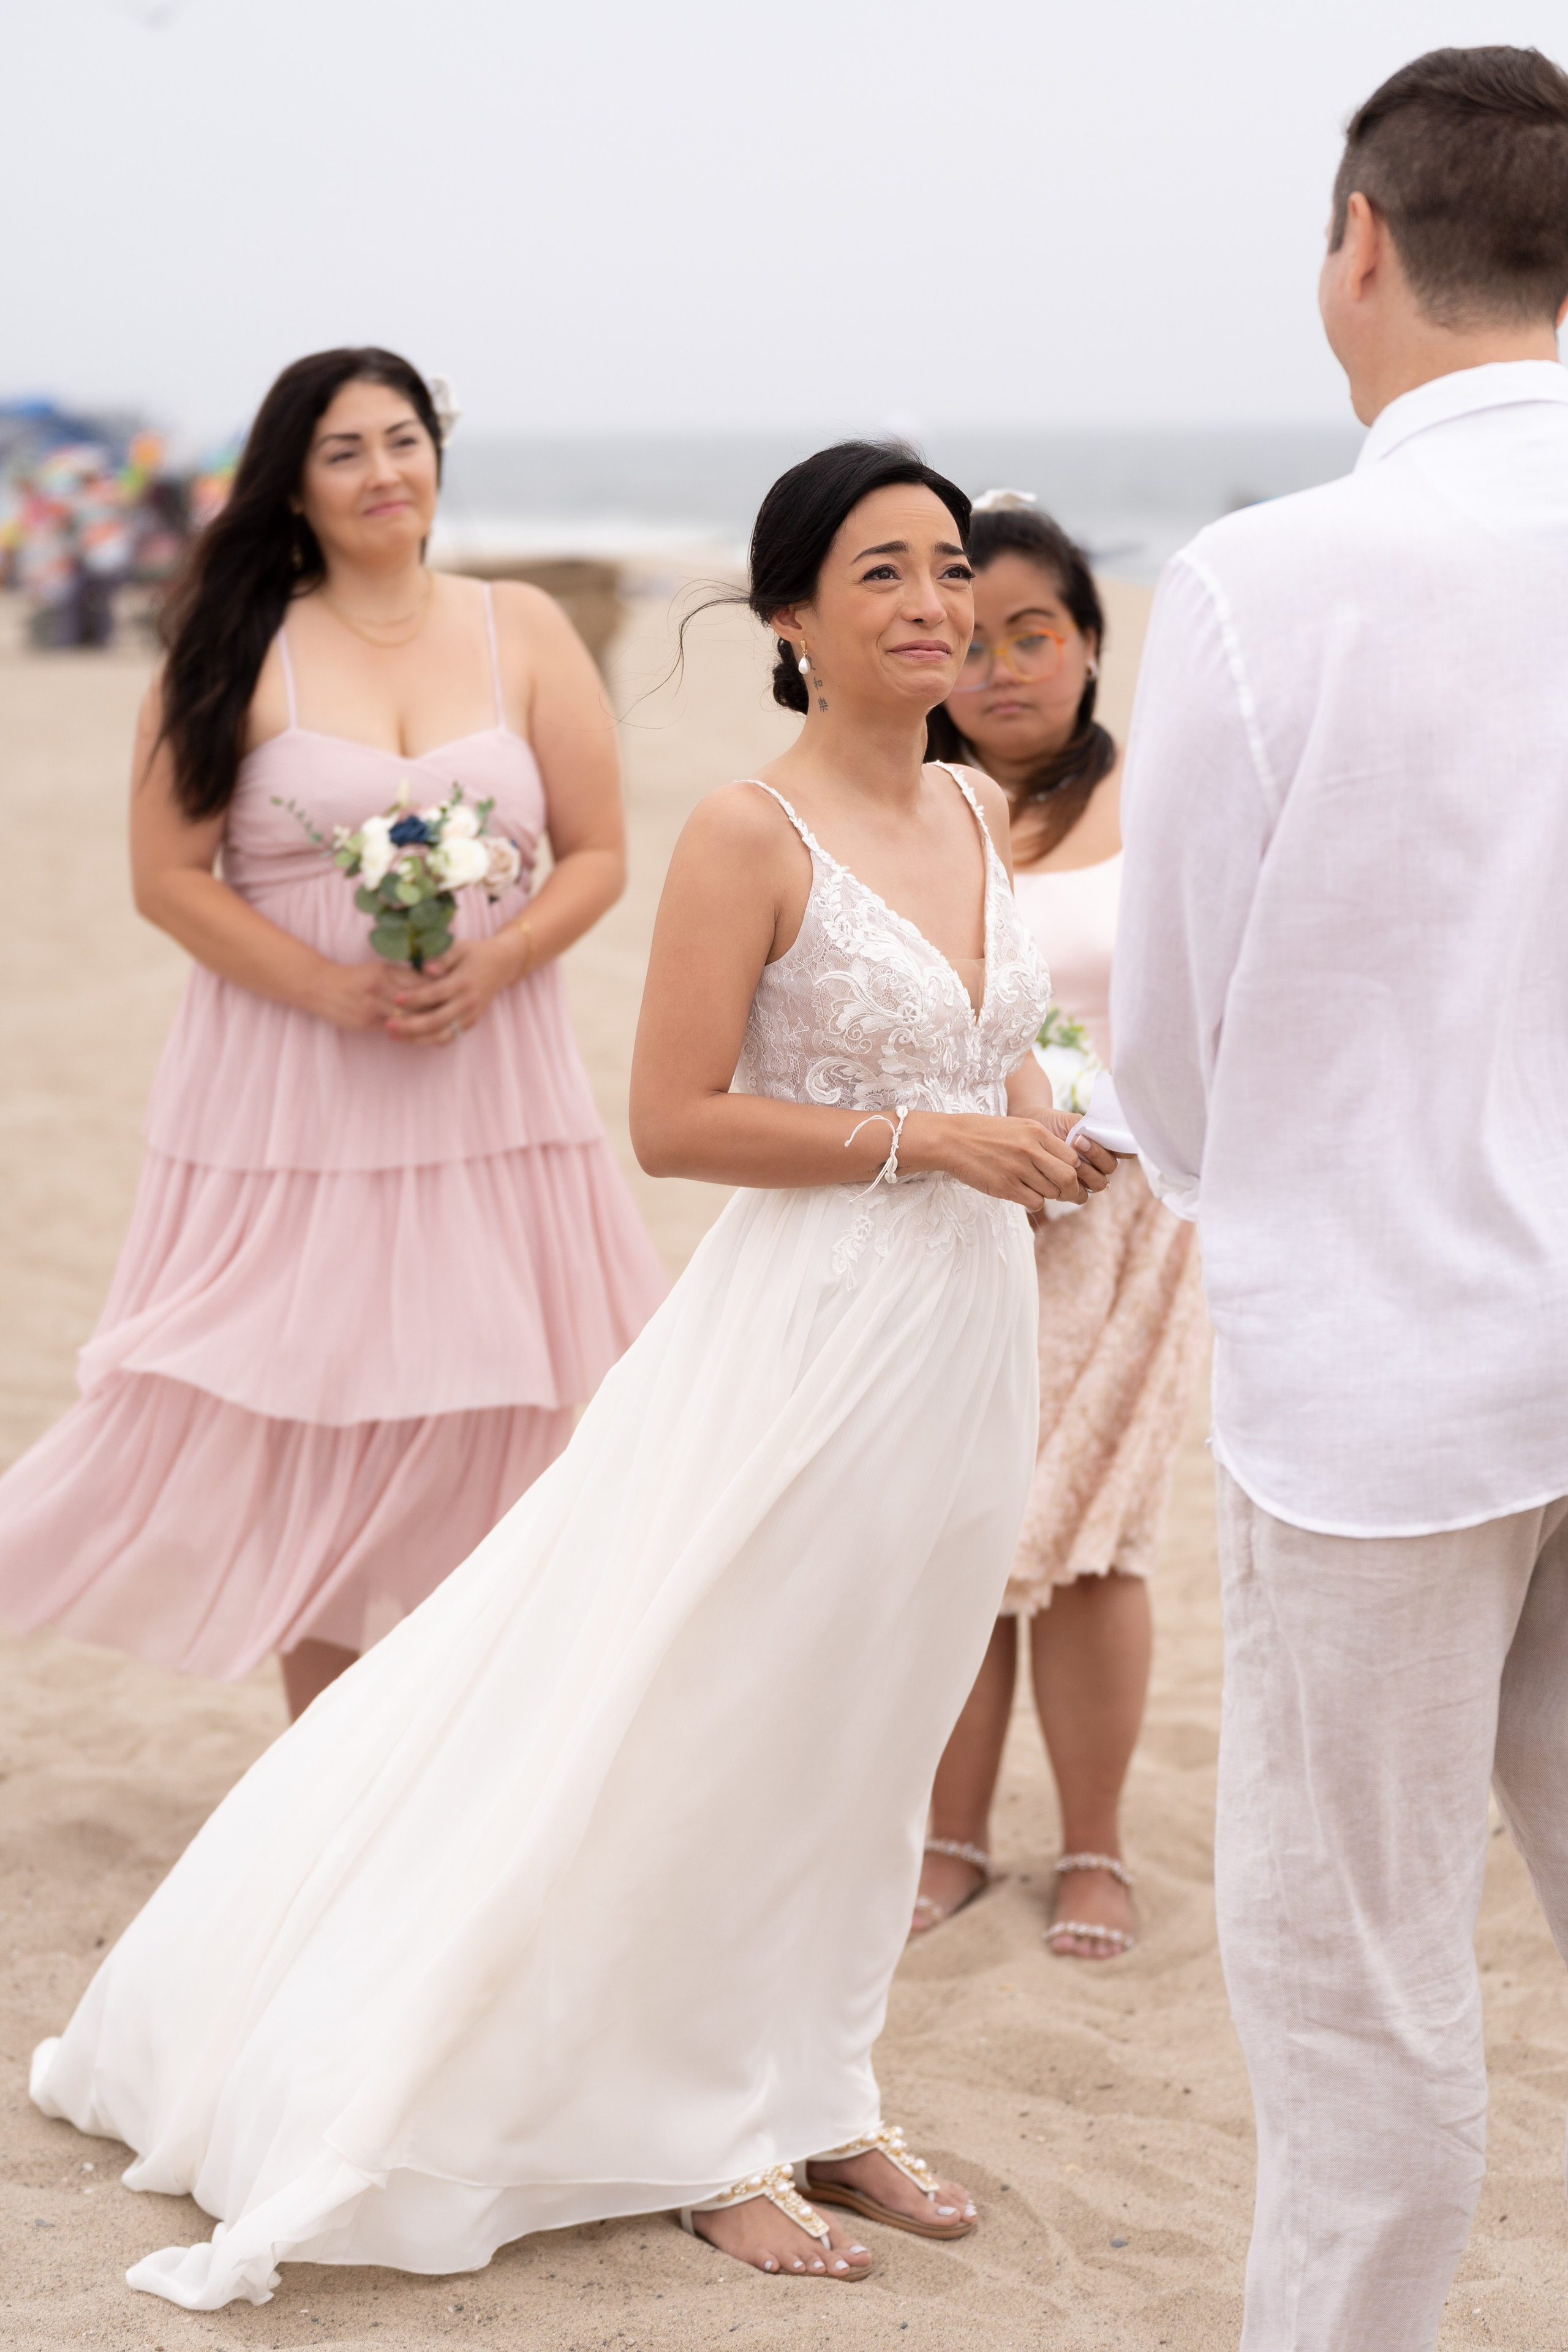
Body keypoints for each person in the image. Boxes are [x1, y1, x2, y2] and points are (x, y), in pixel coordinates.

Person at [29, 440, 1115, 2308]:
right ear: (789, 617)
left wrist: (1038, 1131)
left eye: (951, 567)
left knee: (879, 1714)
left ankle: (830, 2083)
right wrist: (936, 1144)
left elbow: (995, 1044)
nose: (937, 603)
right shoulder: (746, 835)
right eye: (884, 573)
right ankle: (709, 2133)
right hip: (808, 1335)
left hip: (965, 1334)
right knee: (736, 1713)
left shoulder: (973, 811)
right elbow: (676, 1119)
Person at [1110, 47, 1568, 2350]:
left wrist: (1253, 1184)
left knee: (1361, 1973)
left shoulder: (1269, 581)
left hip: (1380, 1375)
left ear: (1359, 246)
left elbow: (1173, 1041)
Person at [0, 347, 666, 1719]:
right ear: (294, 488)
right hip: (294, 1088)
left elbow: (598, 850)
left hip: (493, 1076)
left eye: (404, 440)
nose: (385, 473)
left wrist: (498, 962)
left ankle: (468, 1730)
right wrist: (334, 992)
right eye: (346, 451)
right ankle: (330, 1752)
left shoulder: (521, 626)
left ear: (438, 454)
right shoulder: (235, 639)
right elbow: (167, 877)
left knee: (497, 1399)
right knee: (322, 1398)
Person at [912, 497, 1205, 1958]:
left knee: (1094, 1538)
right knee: (957, 1524)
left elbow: (1219, 1002)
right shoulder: (902, 806)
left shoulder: (1159, 802)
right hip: (952, 1205)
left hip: (1125, 1209)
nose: (1003, 667)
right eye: (970, 642)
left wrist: (1112, 1129)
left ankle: (1091, 1846)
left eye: (1035, 634)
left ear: (1091, 647)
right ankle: (946, 1835)